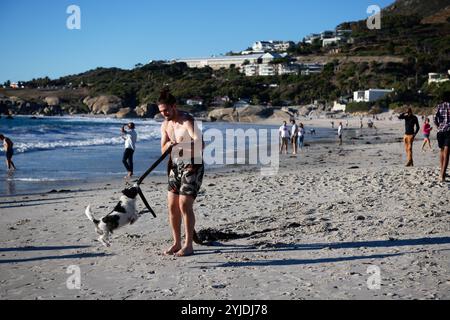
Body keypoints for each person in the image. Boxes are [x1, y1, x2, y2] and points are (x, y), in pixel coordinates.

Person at [159, 89, 204, 257]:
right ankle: (176, 243)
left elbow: (201, 144)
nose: (164, 114)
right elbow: (163, 150)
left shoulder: (187, 121)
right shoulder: (165, 125)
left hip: (192, 164)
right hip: (175, 166)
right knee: (172, 206)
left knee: (184, 204)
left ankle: (188, 245)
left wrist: (179, 147)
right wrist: (170, 146)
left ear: (174, 106)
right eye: (161, 111)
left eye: (166, 110)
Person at [434, 95, 450, 182]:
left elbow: (434, 118)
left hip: (440, 131)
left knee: (442, 151)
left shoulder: (439, 106)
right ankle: (443, 175)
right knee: (447, 153)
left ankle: (441, 171)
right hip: (449, 131)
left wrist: (438, 126)